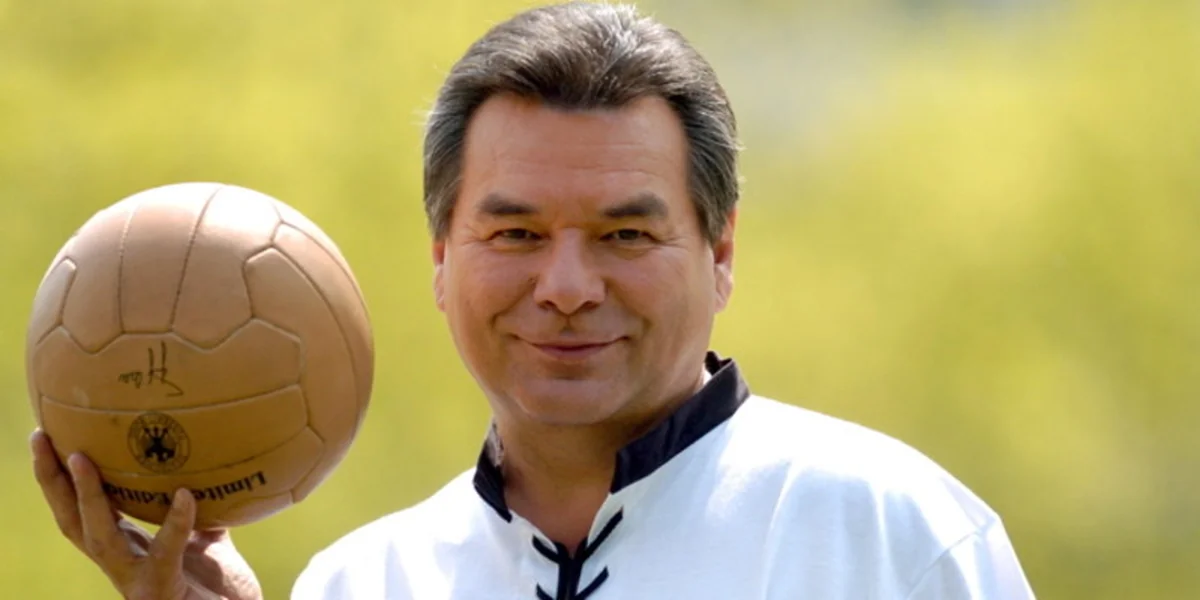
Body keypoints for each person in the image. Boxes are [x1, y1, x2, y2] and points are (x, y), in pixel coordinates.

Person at [30, 2, 1037, 598]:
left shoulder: (888, 534)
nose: (565, 289)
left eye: (624, 235)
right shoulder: (366, 582)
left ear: (721, 250)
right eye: (515, 234)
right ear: (441, 258)